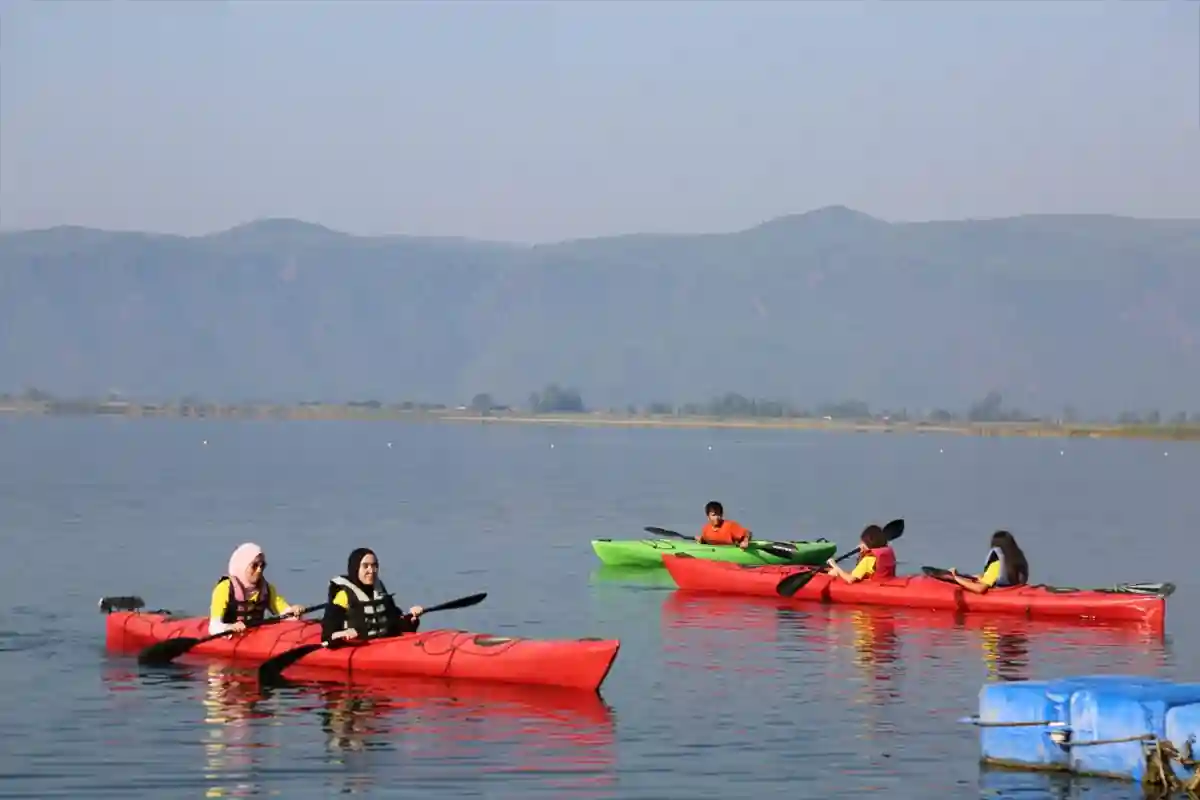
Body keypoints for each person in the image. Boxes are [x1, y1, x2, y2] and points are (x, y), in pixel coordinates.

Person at [322, 547, 424, 642]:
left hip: (383, 646)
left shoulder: (380, 592)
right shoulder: (343, 596)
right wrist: (341, 634)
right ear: (356, 568)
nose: (371, 571)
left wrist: (411, 618)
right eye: (365, 566)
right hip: (357, 647)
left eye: (374, 566)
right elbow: (327, 635)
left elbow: (396, 625)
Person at [209, 542, 304, 635]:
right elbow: (214, 626)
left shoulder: (267, 589)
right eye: (254, 566)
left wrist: (294, 611)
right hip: (229, 636)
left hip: (256, 637)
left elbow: (286, 614)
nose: (259, 570)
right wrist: (229, 627)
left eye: (262, 565)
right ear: (242, 566)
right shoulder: (224, 589)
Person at [949, 530, 1029, 594]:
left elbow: (980, 589)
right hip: (1017, 592)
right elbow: (993, 577)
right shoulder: (1015, 560)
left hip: (1002, 594)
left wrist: (956, 579)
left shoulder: (996, 564)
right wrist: (965, 577)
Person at [827, 523, 896, 584]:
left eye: (863, 542)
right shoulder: (886, 552)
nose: (860, 544)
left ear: (868, 543)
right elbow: (858, 572)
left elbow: (850, 579)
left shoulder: (868, 560)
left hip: (875, 587)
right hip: (886, 582)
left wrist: (835, 567)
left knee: (835, 571)